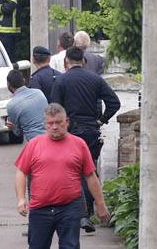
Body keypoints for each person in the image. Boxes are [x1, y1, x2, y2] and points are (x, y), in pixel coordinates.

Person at [15, 103, 111, 249]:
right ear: (45, 124)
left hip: (69, 208)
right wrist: (21, 199)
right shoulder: (34, 145)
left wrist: (100, 203)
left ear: (66, 122)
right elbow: (21, 172)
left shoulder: (79, 144)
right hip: (40, 209)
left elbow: (90, 176)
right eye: (50, 123)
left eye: (59, 122)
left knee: (70, 246)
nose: (55, 126)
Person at [51, 46, 121, 233]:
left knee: (69, 172)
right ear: (84, 61)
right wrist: (102, 120)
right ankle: (87, 213)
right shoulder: (95, 79)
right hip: (90, 131)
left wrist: (58, 130)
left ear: (66, 62)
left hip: (70, 133)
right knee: (89, 171)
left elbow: (55, 109)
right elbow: (115, 103)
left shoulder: (61, 81)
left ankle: (75, 213)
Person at [5, 69, 47, 142]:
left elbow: (18, 133)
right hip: (50, 135)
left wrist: (12, 127)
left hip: (34, 142)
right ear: (24, 80)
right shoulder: (39, 93)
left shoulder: (11, 105)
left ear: (8, 85)